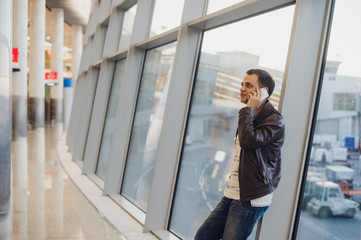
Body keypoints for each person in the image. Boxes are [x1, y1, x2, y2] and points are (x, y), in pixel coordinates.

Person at [194, 69, 285, 240]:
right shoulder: (250, 117)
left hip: (252, 197)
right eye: (242, 84)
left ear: (263, 91)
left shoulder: (274, 121)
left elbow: (248, 142)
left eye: (248, 85)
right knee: (203, 236)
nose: (242, 88)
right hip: (233, 193)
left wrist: (247, 111)